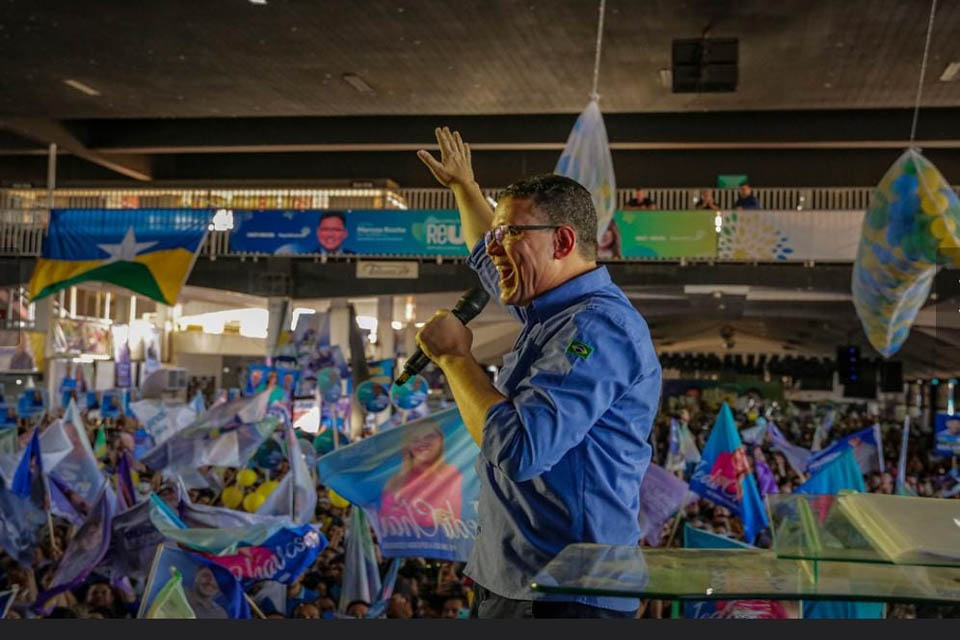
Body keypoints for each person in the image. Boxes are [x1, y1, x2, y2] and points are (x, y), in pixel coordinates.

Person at [414, 127, 661, 618]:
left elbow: (521, 450)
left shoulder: (597, 329)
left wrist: (455, 360)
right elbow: (486, 253)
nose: (495, 248)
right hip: (526, 584)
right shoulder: (550, 311)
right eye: (498, 234)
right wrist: (465, 187)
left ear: (562, 241)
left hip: (565, 596)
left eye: (510, 234)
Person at [378, 423, 463, 529]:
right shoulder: (396, 481)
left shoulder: (452, 474)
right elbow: (385, 516)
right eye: (415, 439)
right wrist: (425, 518)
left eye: (429, 436)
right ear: (408, 445)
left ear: (440, 440)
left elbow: (456, 516)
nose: (423, 442)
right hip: (409, 539)